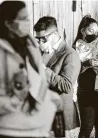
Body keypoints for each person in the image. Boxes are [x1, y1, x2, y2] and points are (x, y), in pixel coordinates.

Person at [0, 1, 60, 137]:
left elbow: (40, 82)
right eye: (22, 19)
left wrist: (51, 98)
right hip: (10, 130)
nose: (27, 22)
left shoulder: (30, 45)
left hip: (37, 127)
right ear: (8, 23)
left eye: (27, 18)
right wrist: (15, 99)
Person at [34, 16, 81, 137]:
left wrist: (44, 70)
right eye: (37, 39)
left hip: (62, 119)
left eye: (43, 40)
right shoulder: (40, 53)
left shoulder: (70, 54)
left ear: (54, 35)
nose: (40, 44)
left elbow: (66, 85)